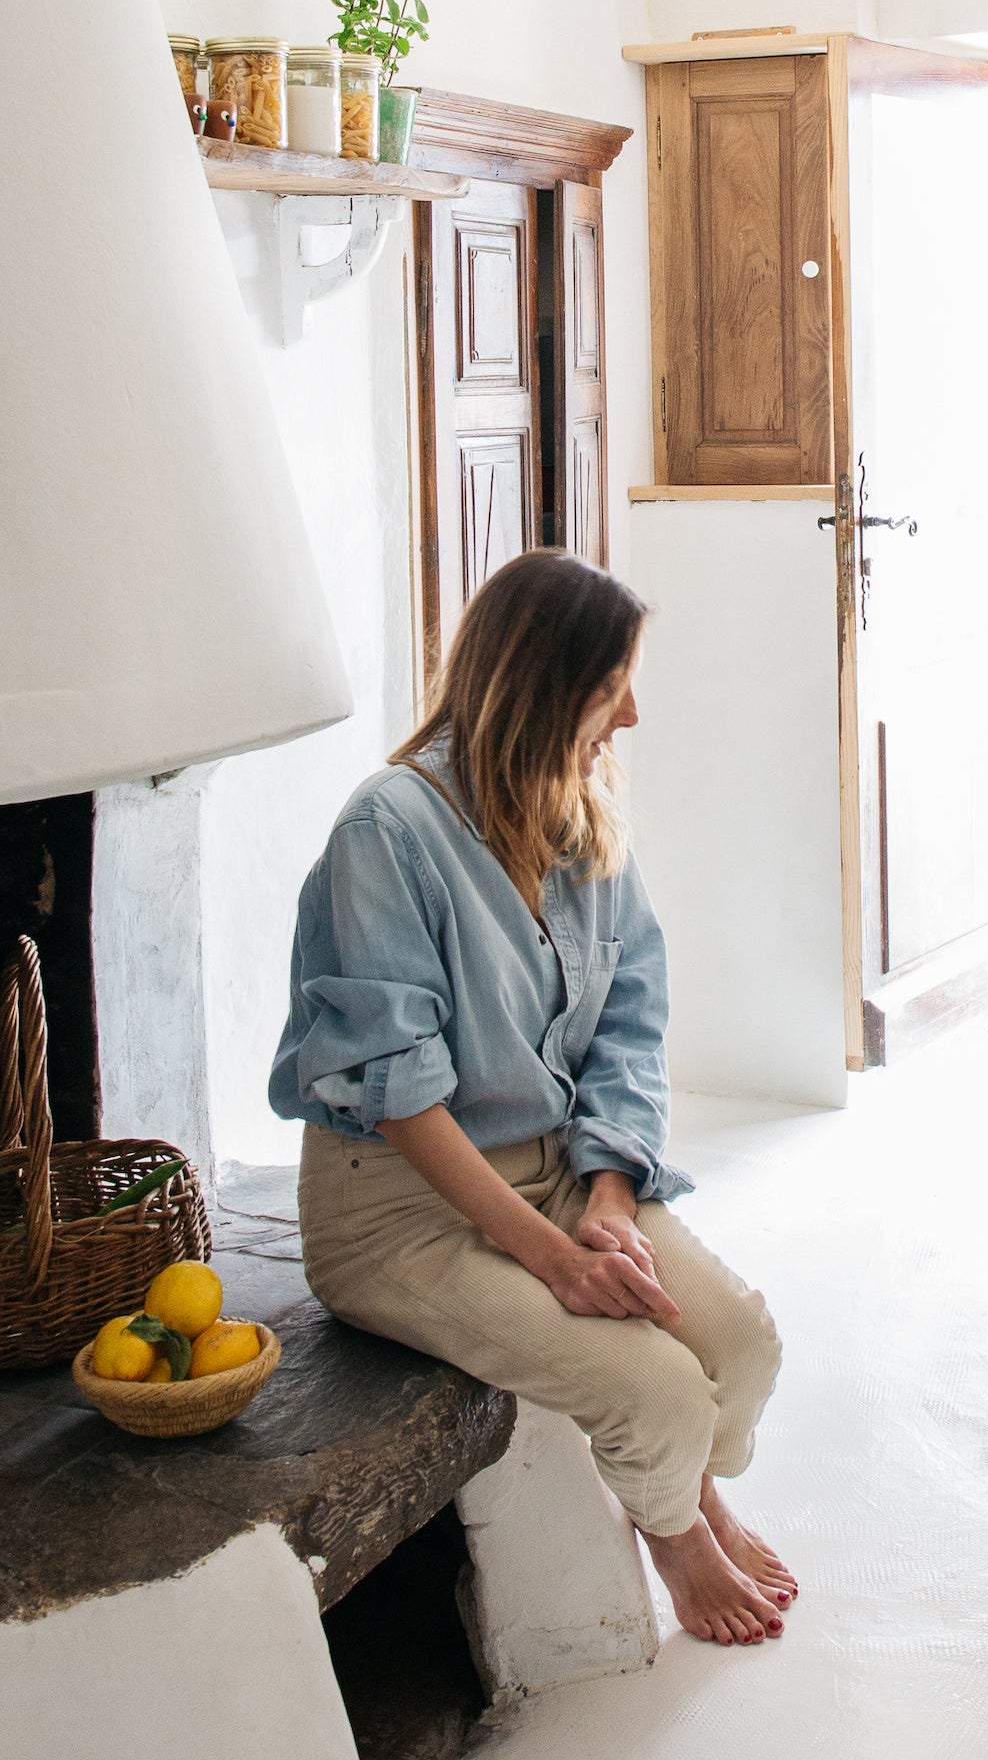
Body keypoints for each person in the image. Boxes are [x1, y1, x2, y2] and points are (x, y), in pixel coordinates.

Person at [269, 548, 793, 1648]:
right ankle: (675, 1531)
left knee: (741, 1346)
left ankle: (688, 1485)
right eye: (612, 689)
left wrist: (608, 1200)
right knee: (656, 1391)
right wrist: (557, 1261)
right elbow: (402, 1098)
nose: (631, 715)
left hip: (557, 1171)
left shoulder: (582, 817)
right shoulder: (387, 832)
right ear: (544, 688)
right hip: (401, 1211)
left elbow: (630, 1029)